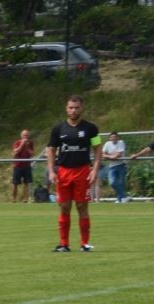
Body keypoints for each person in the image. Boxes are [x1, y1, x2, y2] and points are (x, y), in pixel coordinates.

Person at [44, 95, 101, 252]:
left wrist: (95, 169)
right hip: (63, 172)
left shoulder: (91, 128)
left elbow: (97, 149)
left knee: (82, 206)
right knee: (64, 207)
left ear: (82, 108)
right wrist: (51, 171)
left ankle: (84, 244)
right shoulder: (58, 129)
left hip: (82, 171)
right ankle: (64, 244)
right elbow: (51, 150)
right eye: (70, 107)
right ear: (66, 108)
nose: (73, 110)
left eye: (76, 108)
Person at [99, 131, 127, 203]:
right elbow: (102, 154)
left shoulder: (121, 142)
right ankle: (124, 196)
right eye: (112, 137)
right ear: (110, 138)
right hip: (112, 166)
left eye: (115, 137)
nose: (113, 138)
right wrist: (111, 156)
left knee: (121, 183)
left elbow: (118, 155)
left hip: (121, 165)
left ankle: (120, 198)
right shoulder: (107, 144)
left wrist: (108, 156)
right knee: (112, 183)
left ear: (118, 137)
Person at [10, 129, 36, 203]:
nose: (25, 137)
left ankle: (25, 199)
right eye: (24, 135)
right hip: (18, 165)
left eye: (27, 135)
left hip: (27, 165)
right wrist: (22, 144)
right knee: (15, 183)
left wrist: (27, 147)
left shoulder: (30, 143)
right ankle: (14, 199)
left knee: (26, 183)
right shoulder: (17, 142)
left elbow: (32, 154)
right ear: (21, 136)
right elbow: (15, 152)